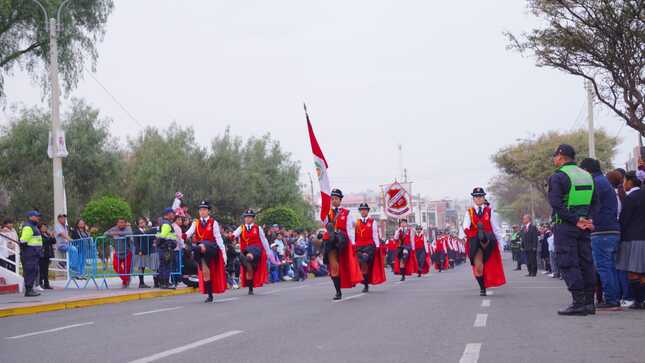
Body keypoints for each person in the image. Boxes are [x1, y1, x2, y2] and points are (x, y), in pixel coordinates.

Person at [548, 144, 598, 316]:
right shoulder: (587, 175)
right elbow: (595, 201)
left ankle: (578, 303)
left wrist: (575, 220)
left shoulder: (558, 176)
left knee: (569, 262)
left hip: (566, 225)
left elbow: (556, 204)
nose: (554, 159)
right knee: (586, 262)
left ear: (561, 157)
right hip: (585, 226)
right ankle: (590, 303)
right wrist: (587, 219)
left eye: (555, 156)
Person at [580, 158, 622, 309]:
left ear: (586, 170)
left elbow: (589, 206)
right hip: (612, 230)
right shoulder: (604, 182)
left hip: (602, 231)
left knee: (604, 267)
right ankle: (615, 298)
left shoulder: (595, 183)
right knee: (610, 267)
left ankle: (611, 300)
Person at [462, 187, 506, 296]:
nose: (478, 198)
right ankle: (482, 287)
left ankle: (488, 281)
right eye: (476, 196)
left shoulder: (490, 211)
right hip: (475, 242)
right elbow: (465, 227)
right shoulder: (469, 212)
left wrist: (501, 244)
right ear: (473, 198)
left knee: (489, 265)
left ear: (483, 197)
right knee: (478, 266)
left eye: (480, 196)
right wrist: (471, 233)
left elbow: (496, 229)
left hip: (488, 242)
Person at [321, 188, 363, 300]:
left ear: (340, 200)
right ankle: (338, 292)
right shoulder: (327, 213)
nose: (334, 200)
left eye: (336, 198)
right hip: (330, 240)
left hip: (342, 240)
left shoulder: (346, 213)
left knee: (344, 263)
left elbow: (350, 230)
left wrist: (353, 243)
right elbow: (324, 224)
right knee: (334, 267)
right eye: (332, 198)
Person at [185, 200, 227, 302]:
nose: (202, 212)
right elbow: (188, 233)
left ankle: (193, 249)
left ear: (208, 211)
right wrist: (178, 236)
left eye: (204, 209)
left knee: (202, 245)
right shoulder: (196, 222)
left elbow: (218, 238)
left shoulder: (213, 222)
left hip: (212, 247)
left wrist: (223, 253)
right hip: (202, 250)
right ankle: (210, 295)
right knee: (205, 272)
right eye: (200, 210)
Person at [616, 171, 645, 309]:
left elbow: (624, 220)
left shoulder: (630, 198)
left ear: (630, 181)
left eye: (624, 180)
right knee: (643, 272)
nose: (623, 184)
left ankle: (640, 300)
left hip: (633, 238)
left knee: (633, 273)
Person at [233, 210, 271, 295]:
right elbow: (234, 234)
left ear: (253, 218)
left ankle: (251, 286)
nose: (247, 219)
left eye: (249, 217)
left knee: (252, 268)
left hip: (256, 251)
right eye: (246, 217)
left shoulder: (258, 228)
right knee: (248, 269)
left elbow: (264, 240)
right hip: (245, 252)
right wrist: (230, 237)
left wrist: (268, 252)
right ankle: (250, 289)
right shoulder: (241, 228)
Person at [354, 203, 386, 293]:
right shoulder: (356, 222)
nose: (363, 211)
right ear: (360, 211)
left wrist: (377, 246)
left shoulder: (372, 222)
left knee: (364, 260)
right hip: (359, 246)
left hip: (369, 246)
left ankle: (366, 284)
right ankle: (365, 283)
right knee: (361, 263)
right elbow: (354, 236)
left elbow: (375, 235)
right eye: (362, 209)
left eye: (365, 209)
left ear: (368, 211)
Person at [19, 211, 43, 297]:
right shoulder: (28, 227)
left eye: (38, 216)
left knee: (33, 270)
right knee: (30, 271)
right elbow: (23, 240)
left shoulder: (33, 226)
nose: (38, 218)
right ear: (30, 217)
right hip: (30, 253)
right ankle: (29, 290)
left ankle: (30, 289)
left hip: (33, 252)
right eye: (36, 216)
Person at [104, 218, 134, 288]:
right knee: (116, 267)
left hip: (127, 252)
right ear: (117, 223)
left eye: (123, 222)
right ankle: (126, 279)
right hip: (117, 252)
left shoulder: (128, 228)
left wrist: (116, 234)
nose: (121, 224)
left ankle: (125, 282)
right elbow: (105, 233)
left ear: (125, 223)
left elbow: (129, 233)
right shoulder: (114, 228)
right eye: (119, 222)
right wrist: (112, 234)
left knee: (127, 269)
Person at [156, 208, 178, 289]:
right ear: (168, 214)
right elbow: (163, 236)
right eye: (172, 213)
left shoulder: (163, 223)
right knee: (166, 265)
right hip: (166, 248)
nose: (174, 215)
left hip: (164, 247)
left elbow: (159, 235)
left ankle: (162, 283)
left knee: (163, 265)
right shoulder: (166, 224)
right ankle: (166, 283)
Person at [132, 217, 157, 288]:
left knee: (153, 266)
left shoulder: (148, 230)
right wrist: (139, 250)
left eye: (143, 222)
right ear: (137, 224)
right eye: (140, 223)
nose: (142, 224)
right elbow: (136, 242)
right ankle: (141, 282)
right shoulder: (136, 231)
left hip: (148, 251)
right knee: (141, 267)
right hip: (140, 252)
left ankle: (156, 282)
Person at [38, 223, 55, 289]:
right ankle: (40, 283)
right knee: (41, 270)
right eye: (43, 227)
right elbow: (44, 241)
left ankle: (46, 284)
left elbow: (53, 241)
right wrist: (50, 237)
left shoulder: (47, 234)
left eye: (45, 227)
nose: (45, 228)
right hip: (42, 254)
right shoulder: (39, 234)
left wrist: (52, 236)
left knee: (46, 270)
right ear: (40, 228)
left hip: (48, 254)